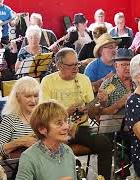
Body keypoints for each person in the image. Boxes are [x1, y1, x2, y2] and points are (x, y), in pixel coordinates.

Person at [41, 48, 113, 180]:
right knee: (53, 149)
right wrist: (65, 112)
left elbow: (92, 112)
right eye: (71, 65)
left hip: (81, 127)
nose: (75, 68)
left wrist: (101, 103)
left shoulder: (83, 79)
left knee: (105, 143)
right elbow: (44, 113)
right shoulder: (48, 81)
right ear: (59, 66)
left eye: (77, 64)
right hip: (56, 129)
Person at [16, 100, 77, 180]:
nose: (66, 127)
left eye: (65, 121)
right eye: (59, 123)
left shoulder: (68, 151)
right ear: (42, 129)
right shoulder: (29, 157)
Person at [0, 76, 39, 158]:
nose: (33, 100)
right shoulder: (10, 119)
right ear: (17, 97)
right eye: (28, 96)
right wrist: (20, 142)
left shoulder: (45, 116)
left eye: (36, 96)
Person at [99, 48, 134, 115]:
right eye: (124, 65)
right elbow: (101, 114)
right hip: (116, 123)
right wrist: (119, 103)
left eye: (130, 64)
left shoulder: (139, 81)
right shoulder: (109, 84)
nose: (128, 68)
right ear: (115, 65)